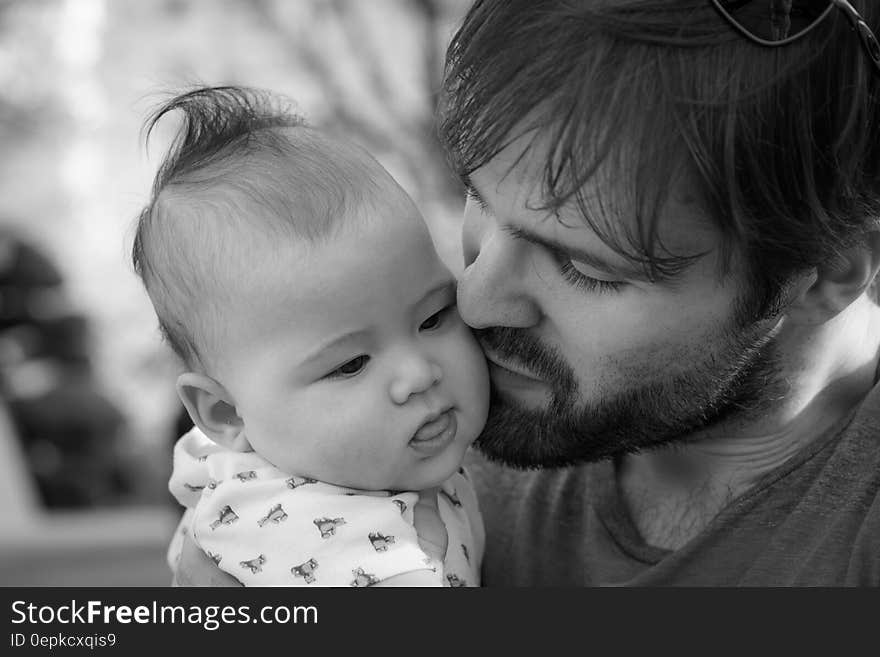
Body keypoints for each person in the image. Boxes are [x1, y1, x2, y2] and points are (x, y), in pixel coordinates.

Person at [177, 0, 880, 586]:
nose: (473, 303)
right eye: (477, 200)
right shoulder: (420, 424)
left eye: (586, 269)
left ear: (830, 273)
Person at [134, 87, 489, 586]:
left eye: (432, 318)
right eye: (350, 364)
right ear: (226, 413)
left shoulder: (363, 470)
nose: (419, 374)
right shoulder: (296, 534)